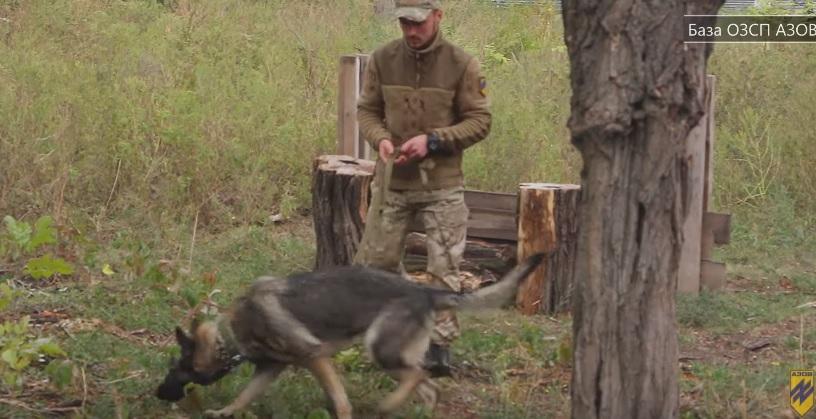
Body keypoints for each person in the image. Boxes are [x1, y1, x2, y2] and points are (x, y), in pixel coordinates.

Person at [353, 0, 491, 377]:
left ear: (438, 16)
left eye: (418, 23)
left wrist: (433, 140)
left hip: (442, 185)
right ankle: (394, 333)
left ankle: (438, 348)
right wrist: (380, 138)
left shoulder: (462, 64)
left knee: (443, 268)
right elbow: (366, 110)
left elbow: (480, 121)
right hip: (393, 184)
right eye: (404, 23)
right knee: (376, 266)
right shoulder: (383, 59)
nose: (411, 31)